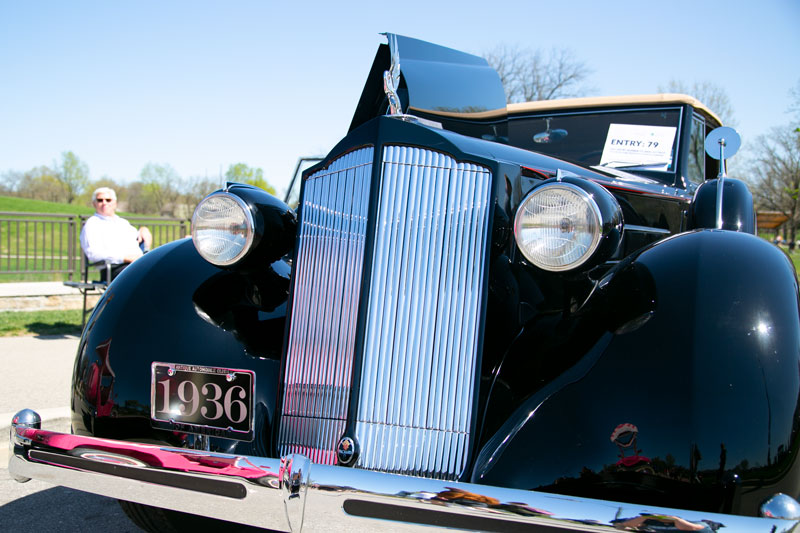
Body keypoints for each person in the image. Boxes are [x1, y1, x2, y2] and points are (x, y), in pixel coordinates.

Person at [80, 187, 153, 281]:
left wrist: (143, 229)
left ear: (115, 203)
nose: (104, 203)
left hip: (138, 264)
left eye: (108, 200)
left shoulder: (123, 223)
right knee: (146, 277)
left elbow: (140, 240)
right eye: (100, 200)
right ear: (94, 204)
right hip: (114, 269)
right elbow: (93, 254)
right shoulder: (92, 224)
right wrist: (125, 258)